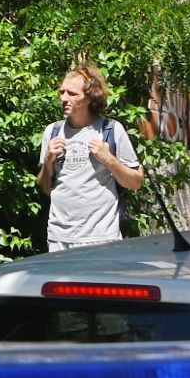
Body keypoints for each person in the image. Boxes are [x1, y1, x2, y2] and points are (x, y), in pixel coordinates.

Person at [37, 65, 144, 250]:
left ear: (89, 97)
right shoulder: (52, 131)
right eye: (61, 92)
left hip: (101, 238)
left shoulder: (110, 130)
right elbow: (45, 188)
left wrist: (108, 159)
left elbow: (136, 182)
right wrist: (48, 162)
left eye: (72, 93)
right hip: (59, 238)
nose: (64, 98)